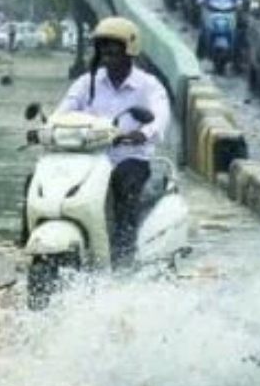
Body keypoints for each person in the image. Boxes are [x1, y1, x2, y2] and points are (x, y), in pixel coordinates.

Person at [47, 17, 171, 268]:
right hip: (88, 159)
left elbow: (161, 117)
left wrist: (143, 134)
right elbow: (62, 112)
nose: (107, 51)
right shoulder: (86, 83)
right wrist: (48, 128)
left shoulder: (148, 85)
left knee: (125, 187)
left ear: (129, 49)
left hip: (129, 157)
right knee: (44, 183)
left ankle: (123, 253)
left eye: (113, 45)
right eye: (103, 45)